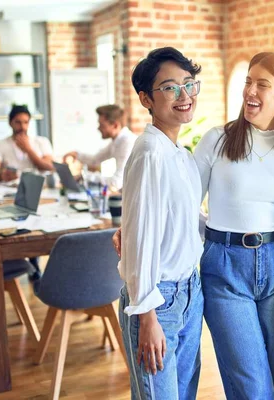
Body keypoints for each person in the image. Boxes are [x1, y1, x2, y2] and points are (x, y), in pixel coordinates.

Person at [193, 52, 274, 399]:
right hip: (225, 266)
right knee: (253, 388)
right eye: (248, 81)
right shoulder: (218, 139)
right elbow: (182, 204)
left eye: (262, 84)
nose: (250, 91)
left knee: (268, 381)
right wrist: (210, 240)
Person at [118, 47, 204, 400]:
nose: (183, 96)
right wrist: (147, 317)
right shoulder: (150, 152)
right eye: (170, 88)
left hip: (190, 292)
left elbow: (181, 221)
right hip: (158, 300)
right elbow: (138, 240)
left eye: (189, 84)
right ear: (146, 99)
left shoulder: (181, 156)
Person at [63, 104, 136, 190]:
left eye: (102, 125)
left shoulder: (127, 143)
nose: (98, 128)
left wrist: (85, 176)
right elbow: (95, 160)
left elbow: (116, 182)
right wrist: (75, 154)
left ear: (115, 125)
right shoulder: (117, 141)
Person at [0, 105, 54, 182]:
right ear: (10, 123)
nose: (22, 127)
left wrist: (28, 150)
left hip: (38, 187)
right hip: (8, 190)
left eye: (26, 122)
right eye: (18, 122)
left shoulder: (42, 142)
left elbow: (50, 167)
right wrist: (2, 175)